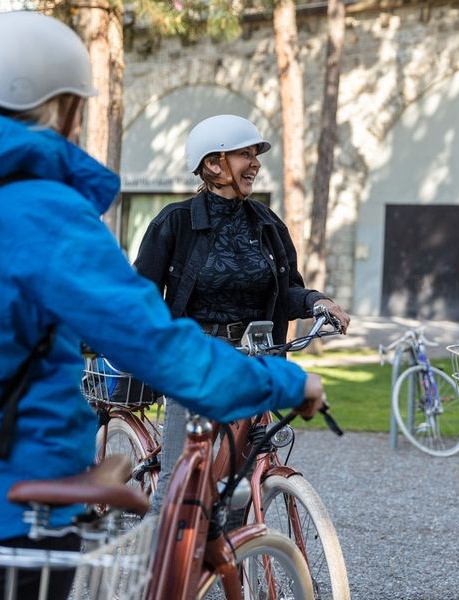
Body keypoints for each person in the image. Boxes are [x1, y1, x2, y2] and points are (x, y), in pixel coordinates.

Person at [0, 12, 326, 600]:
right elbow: (156, 344)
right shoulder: (42, 212)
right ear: (64, 106)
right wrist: (284, 382)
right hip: (10, 520)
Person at [133, 113, 350, 512]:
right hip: (194, 360)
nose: (255, 163)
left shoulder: (267, 225)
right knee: (179, 483)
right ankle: (153, 567)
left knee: (239, 485)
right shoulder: (175, 222)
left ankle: (235, 564)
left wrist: (316, 302)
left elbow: (286, 292)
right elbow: (141, 295)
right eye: (244, 155)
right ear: (213, 164)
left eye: (256, 155)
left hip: (256, 358)